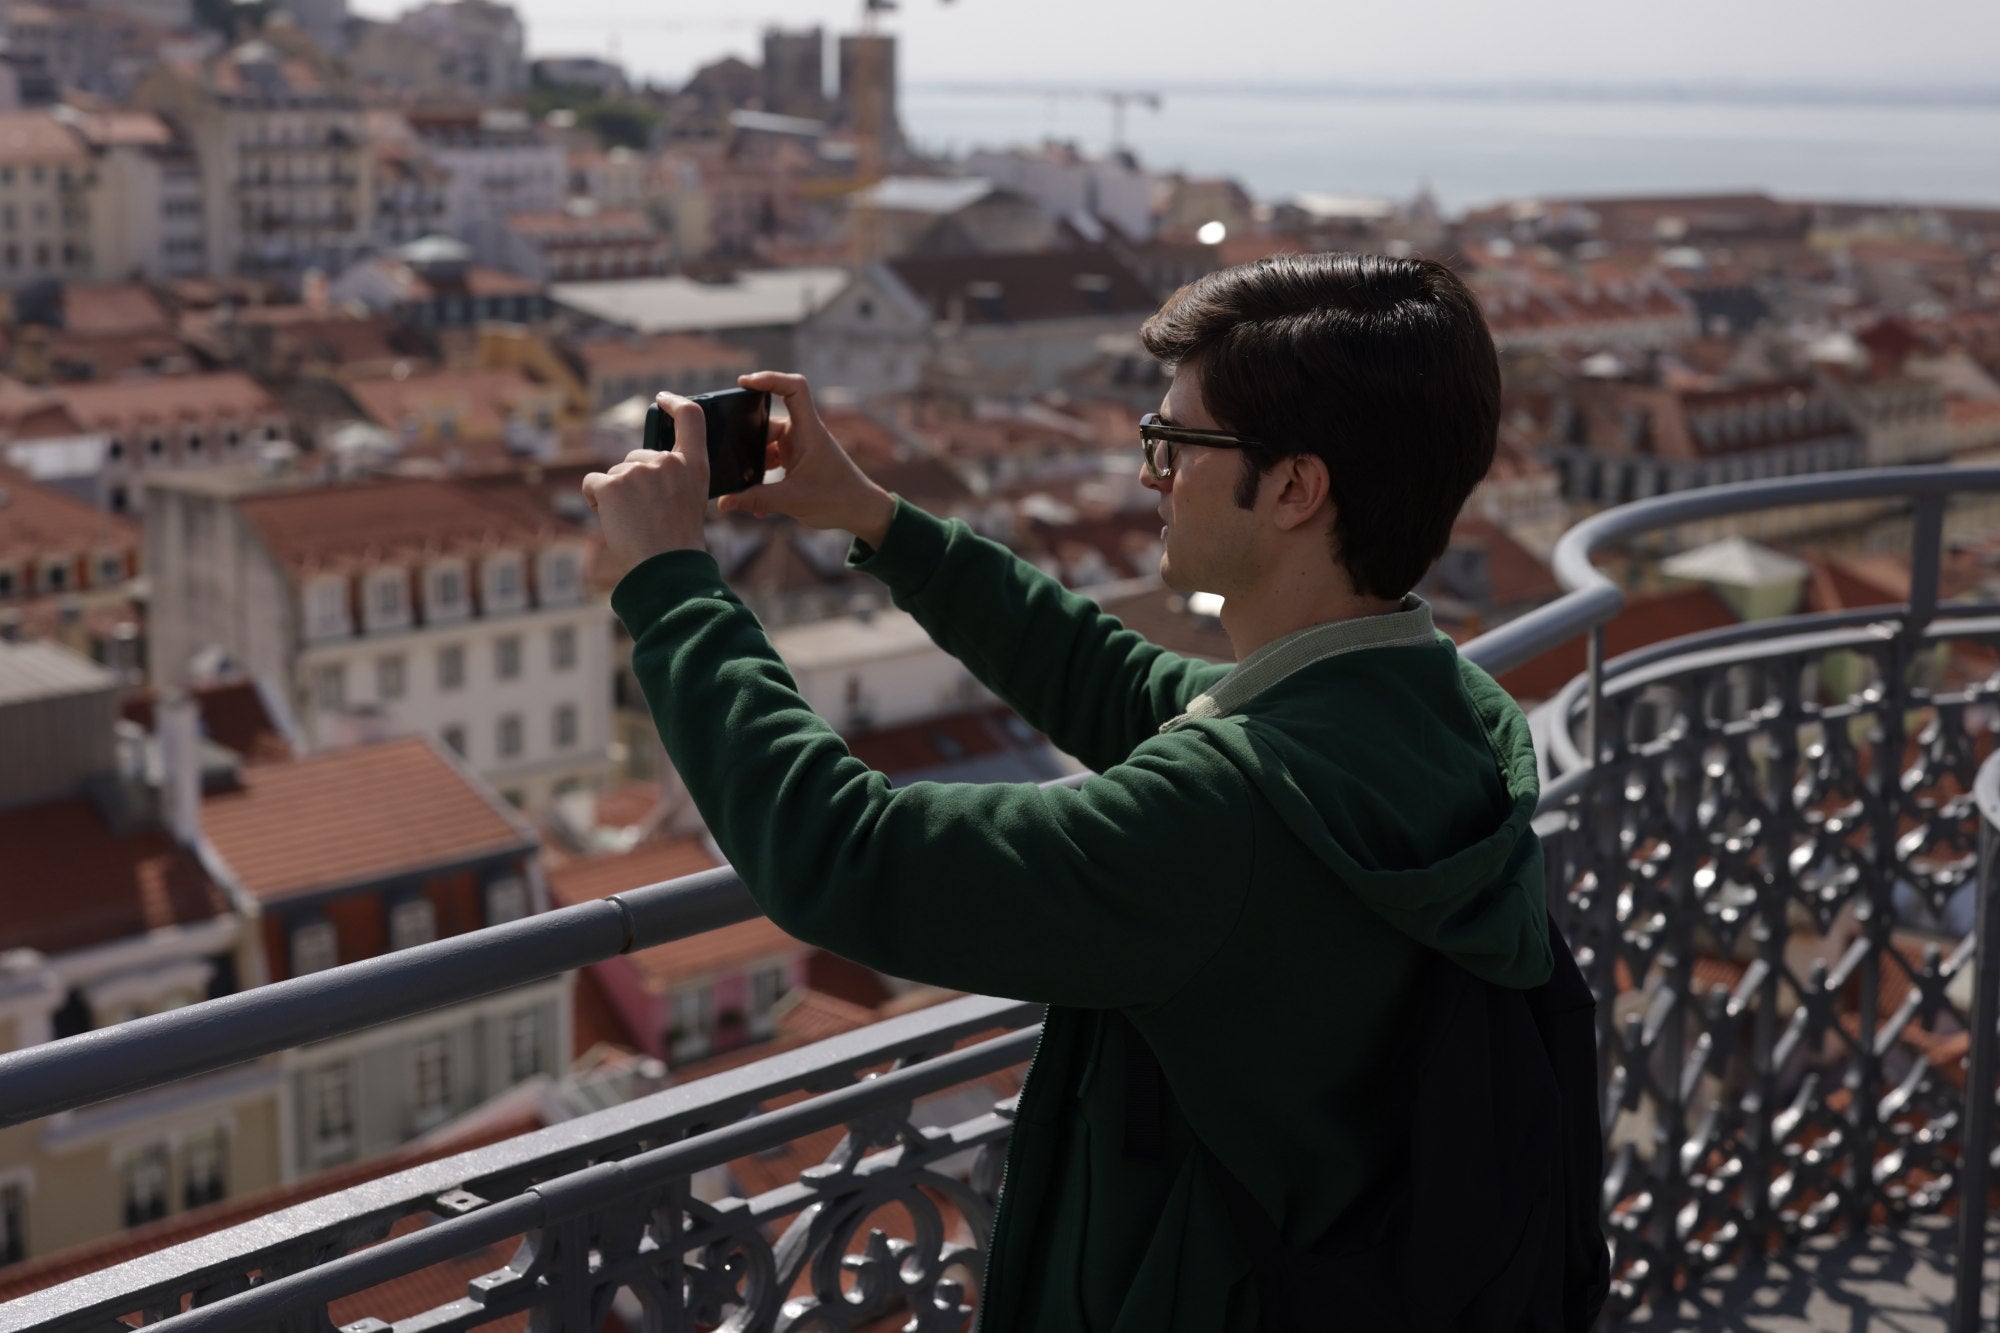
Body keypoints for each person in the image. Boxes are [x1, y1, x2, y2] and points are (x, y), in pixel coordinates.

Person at [582, 252, 1554, 1332]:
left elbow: (847, 853)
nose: (1148, 475)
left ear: (1294, 488)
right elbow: (1117, 681)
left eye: (1174, 443)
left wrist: (670, 586)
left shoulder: (1219, 817)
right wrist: (874, 517)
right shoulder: (1446, 708)